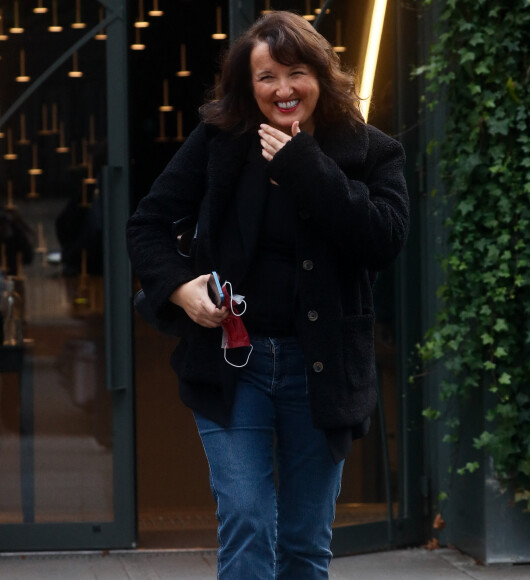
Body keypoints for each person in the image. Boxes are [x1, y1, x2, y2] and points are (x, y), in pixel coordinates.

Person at [126, 10, 409, 579]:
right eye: (267, 76)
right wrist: (181, 289)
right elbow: (148, 224)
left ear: (321, 76)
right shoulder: (218, 142)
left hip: (321, 370)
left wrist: (305, 163)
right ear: (247, 85)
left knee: (304, 543)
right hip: (236, 362)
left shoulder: (369, 150)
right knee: (248, 524)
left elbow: (384, 239)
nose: (283, 89)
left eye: (296, 72)